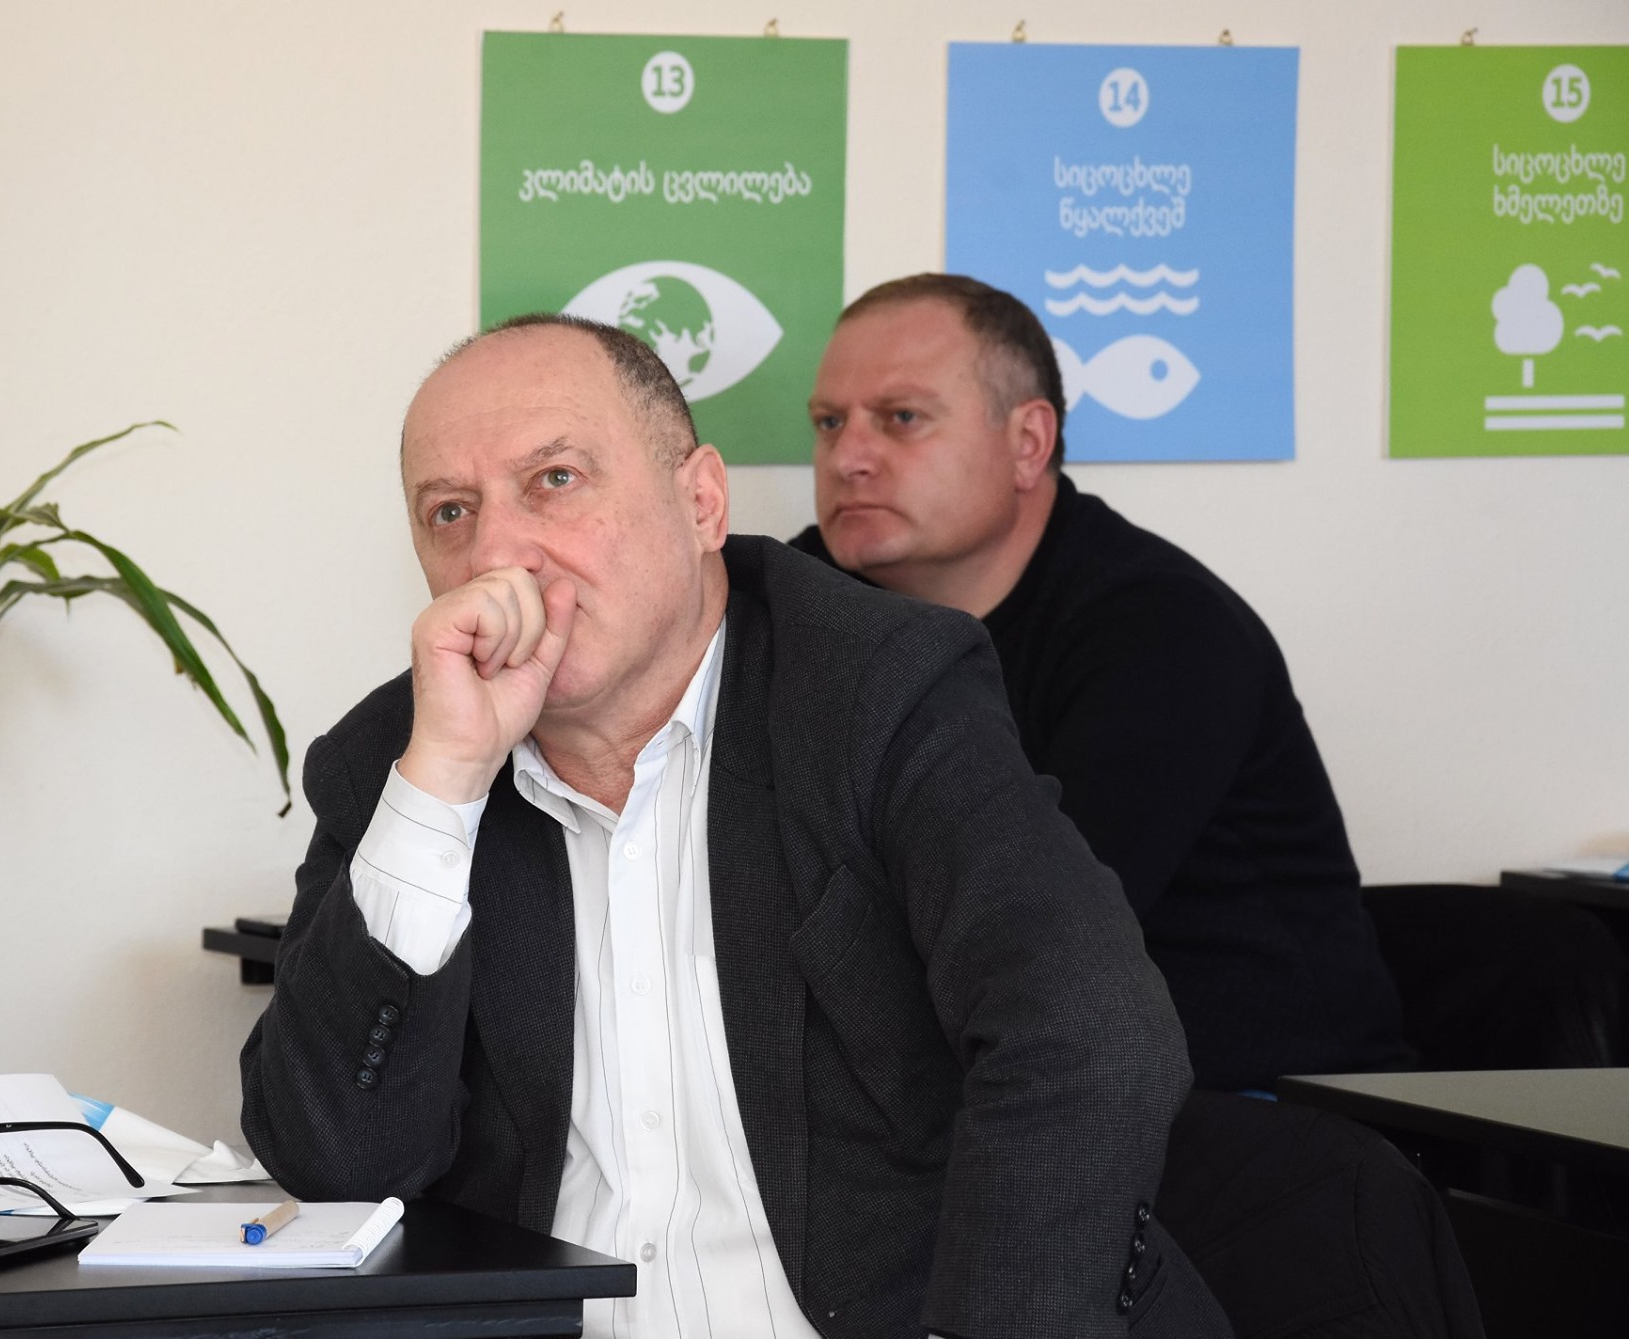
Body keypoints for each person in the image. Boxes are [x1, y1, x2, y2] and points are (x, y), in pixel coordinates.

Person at [241, 314, 1232, 1338]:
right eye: (450, 511)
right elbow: (337, 1164)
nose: (496, 553)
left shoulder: (879, 691)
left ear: (701, 502)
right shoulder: (398, 761)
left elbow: (1089, 1036)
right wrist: (444, 782)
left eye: (555, 480)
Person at [796, 274, 1410, 1094]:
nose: (849, 458)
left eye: (902, 418)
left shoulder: (1163, 627)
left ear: (1028, 442)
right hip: (1000, 1088)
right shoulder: (807, 598)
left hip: (1255, 1107)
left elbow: (1031, 932)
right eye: (829, 423)